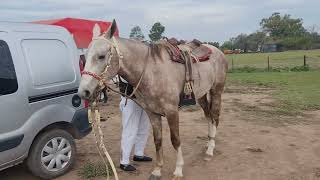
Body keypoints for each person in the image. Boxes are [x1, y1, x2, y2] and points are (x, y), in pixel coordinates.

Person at [118, 76, 152, 171]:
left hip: (144, 98)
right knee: (130, 130)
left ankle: (139, 154)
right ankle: (124, 161)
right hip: (130, 98)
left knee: (144, 128)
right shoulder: (125, 61)